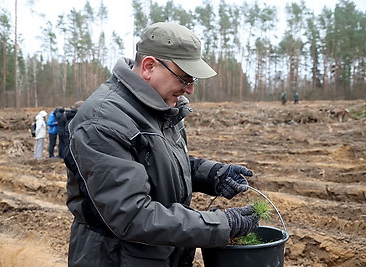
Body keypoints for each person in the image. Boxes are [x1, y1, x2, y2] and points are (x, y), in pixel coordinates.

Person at [65, 22, 259, 267]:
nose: (190, 89)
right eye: (184, 77)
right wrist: (220, 224)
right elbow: (132, 215)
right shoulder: (103, 121)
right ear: (149, 67)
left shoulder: (161, 107)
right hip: (117, 258)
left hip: (161, 255)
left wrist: (212, 175)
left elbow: (156, 163)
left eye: (193, 79)